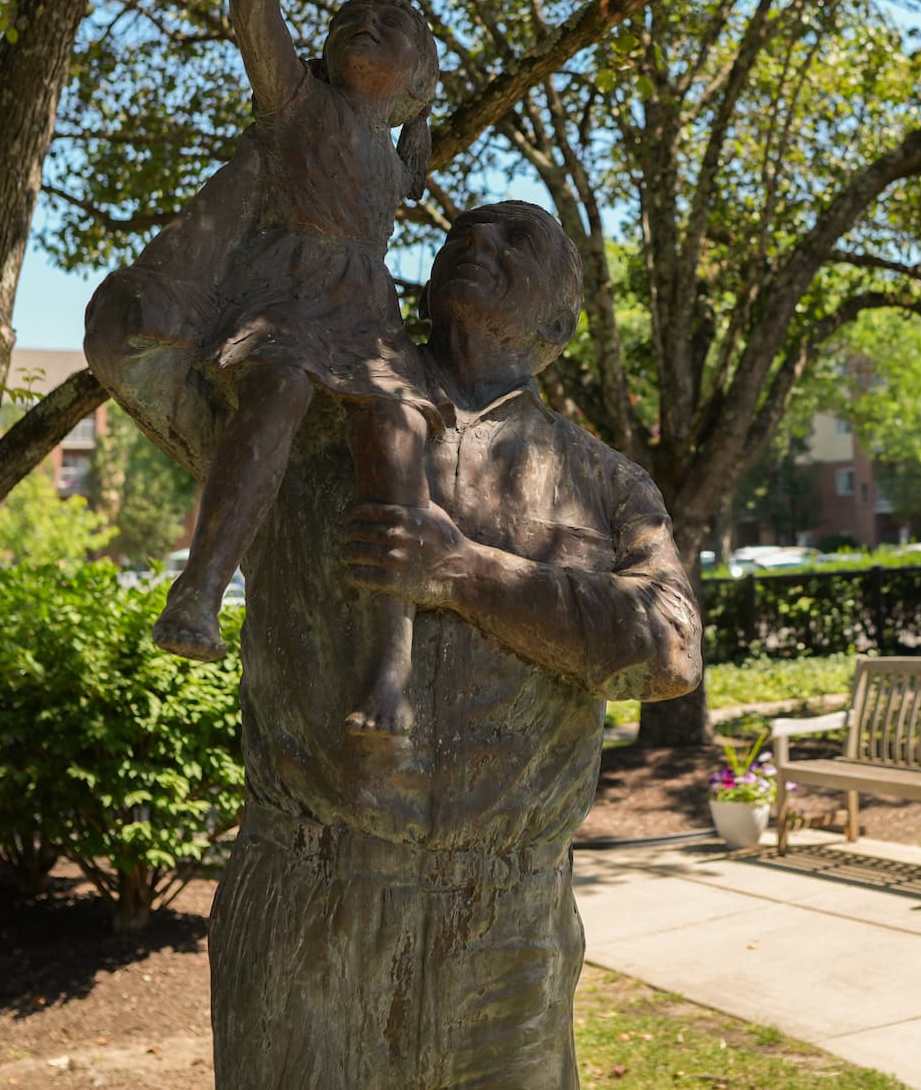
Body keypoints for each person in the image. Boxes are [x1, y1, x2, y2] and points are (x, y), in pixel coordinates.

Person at [89, 197, 701, 1087]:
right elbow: (126, 335)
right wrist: (281, 158)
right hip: (311, 900)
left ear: (562, 322)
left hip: (506, 924)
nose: (477, 242)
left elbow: (670, 649)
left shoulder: (601, 481)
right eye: (464, 233)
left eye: (515, 239)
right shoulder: (296, 404)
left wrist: (466, 573)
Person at [108, 0, 438, 734]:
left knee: (397, 440)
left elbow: (411, 171)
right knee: (280, 389)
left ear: (420, 79)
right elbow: (255, 6)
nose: (363, 22)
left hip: (364, 314)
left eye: (391, 23)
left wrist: (424, 135)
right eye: (350, 17)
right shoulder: (297, 102)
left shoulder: (399, 157)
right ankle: (202, 589)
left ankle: (389, 673)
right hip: (288, 296)